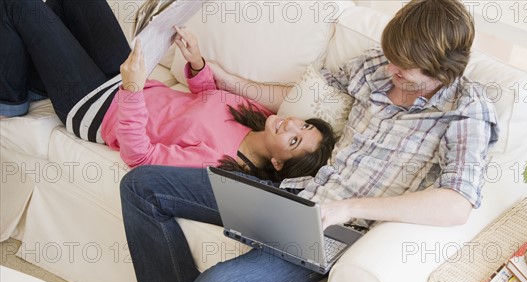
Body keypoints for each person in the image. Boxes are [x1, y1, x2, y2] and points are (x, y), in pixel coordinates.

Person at [119, 0, 498, 282]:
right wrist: (221, 77)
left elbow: (457, 204)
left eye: (405, 70)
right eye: (392, 59)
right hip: (289, 192)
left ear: (442, 72)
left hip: (331, 229)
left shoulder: (466, 109)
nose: (392, 71)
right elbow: (297, 97)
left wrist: (346, 207)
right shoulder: (376, 65)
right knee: (142, 186)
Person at [0, 0, 335, 181]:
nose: (291, 125)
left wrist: (131, 90)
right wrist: (197, 63)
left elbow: (141, 157)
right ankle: (36, 80)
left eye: (294, 141)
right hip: (132, 78)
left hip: (99, 110)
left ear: (277, 163)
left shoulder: (219, 161)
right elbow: (204, 100)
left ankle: (10, 99)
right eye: (304, 126)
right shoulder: (261, 117)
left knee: (20, 6)